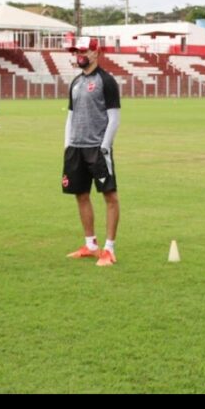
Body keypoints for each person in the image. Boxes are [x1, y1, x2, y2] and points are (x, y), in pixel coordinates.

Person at [63, 37, 122, 267]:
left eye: (84, 50)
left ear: (95, 53)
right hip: (76, 147)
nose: (79, 54)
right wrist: (67, 143)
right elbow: (70, 114)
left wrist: (105, 146)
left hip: (97, 148)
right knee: (81, 194)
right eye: (77, 50)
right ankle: (90, 244)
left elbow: (114, 117)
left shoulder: (106, 81)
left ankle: (109, 249)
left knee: (110, 196)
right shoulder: (76, 82)